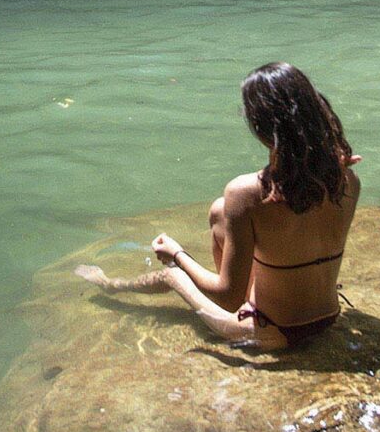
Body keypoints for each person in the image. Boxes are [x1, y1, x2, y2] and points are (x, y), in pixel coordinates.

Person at [75, 63, 360, 351]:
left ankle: (109, 285)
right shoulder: (348, 179)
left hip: (271, 331)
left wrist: (177, 255)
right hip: (328, 317)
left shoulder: (246, 192)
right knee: (220, 211)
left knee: (173, 275)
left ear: (260, 128)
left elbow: (228, 297)